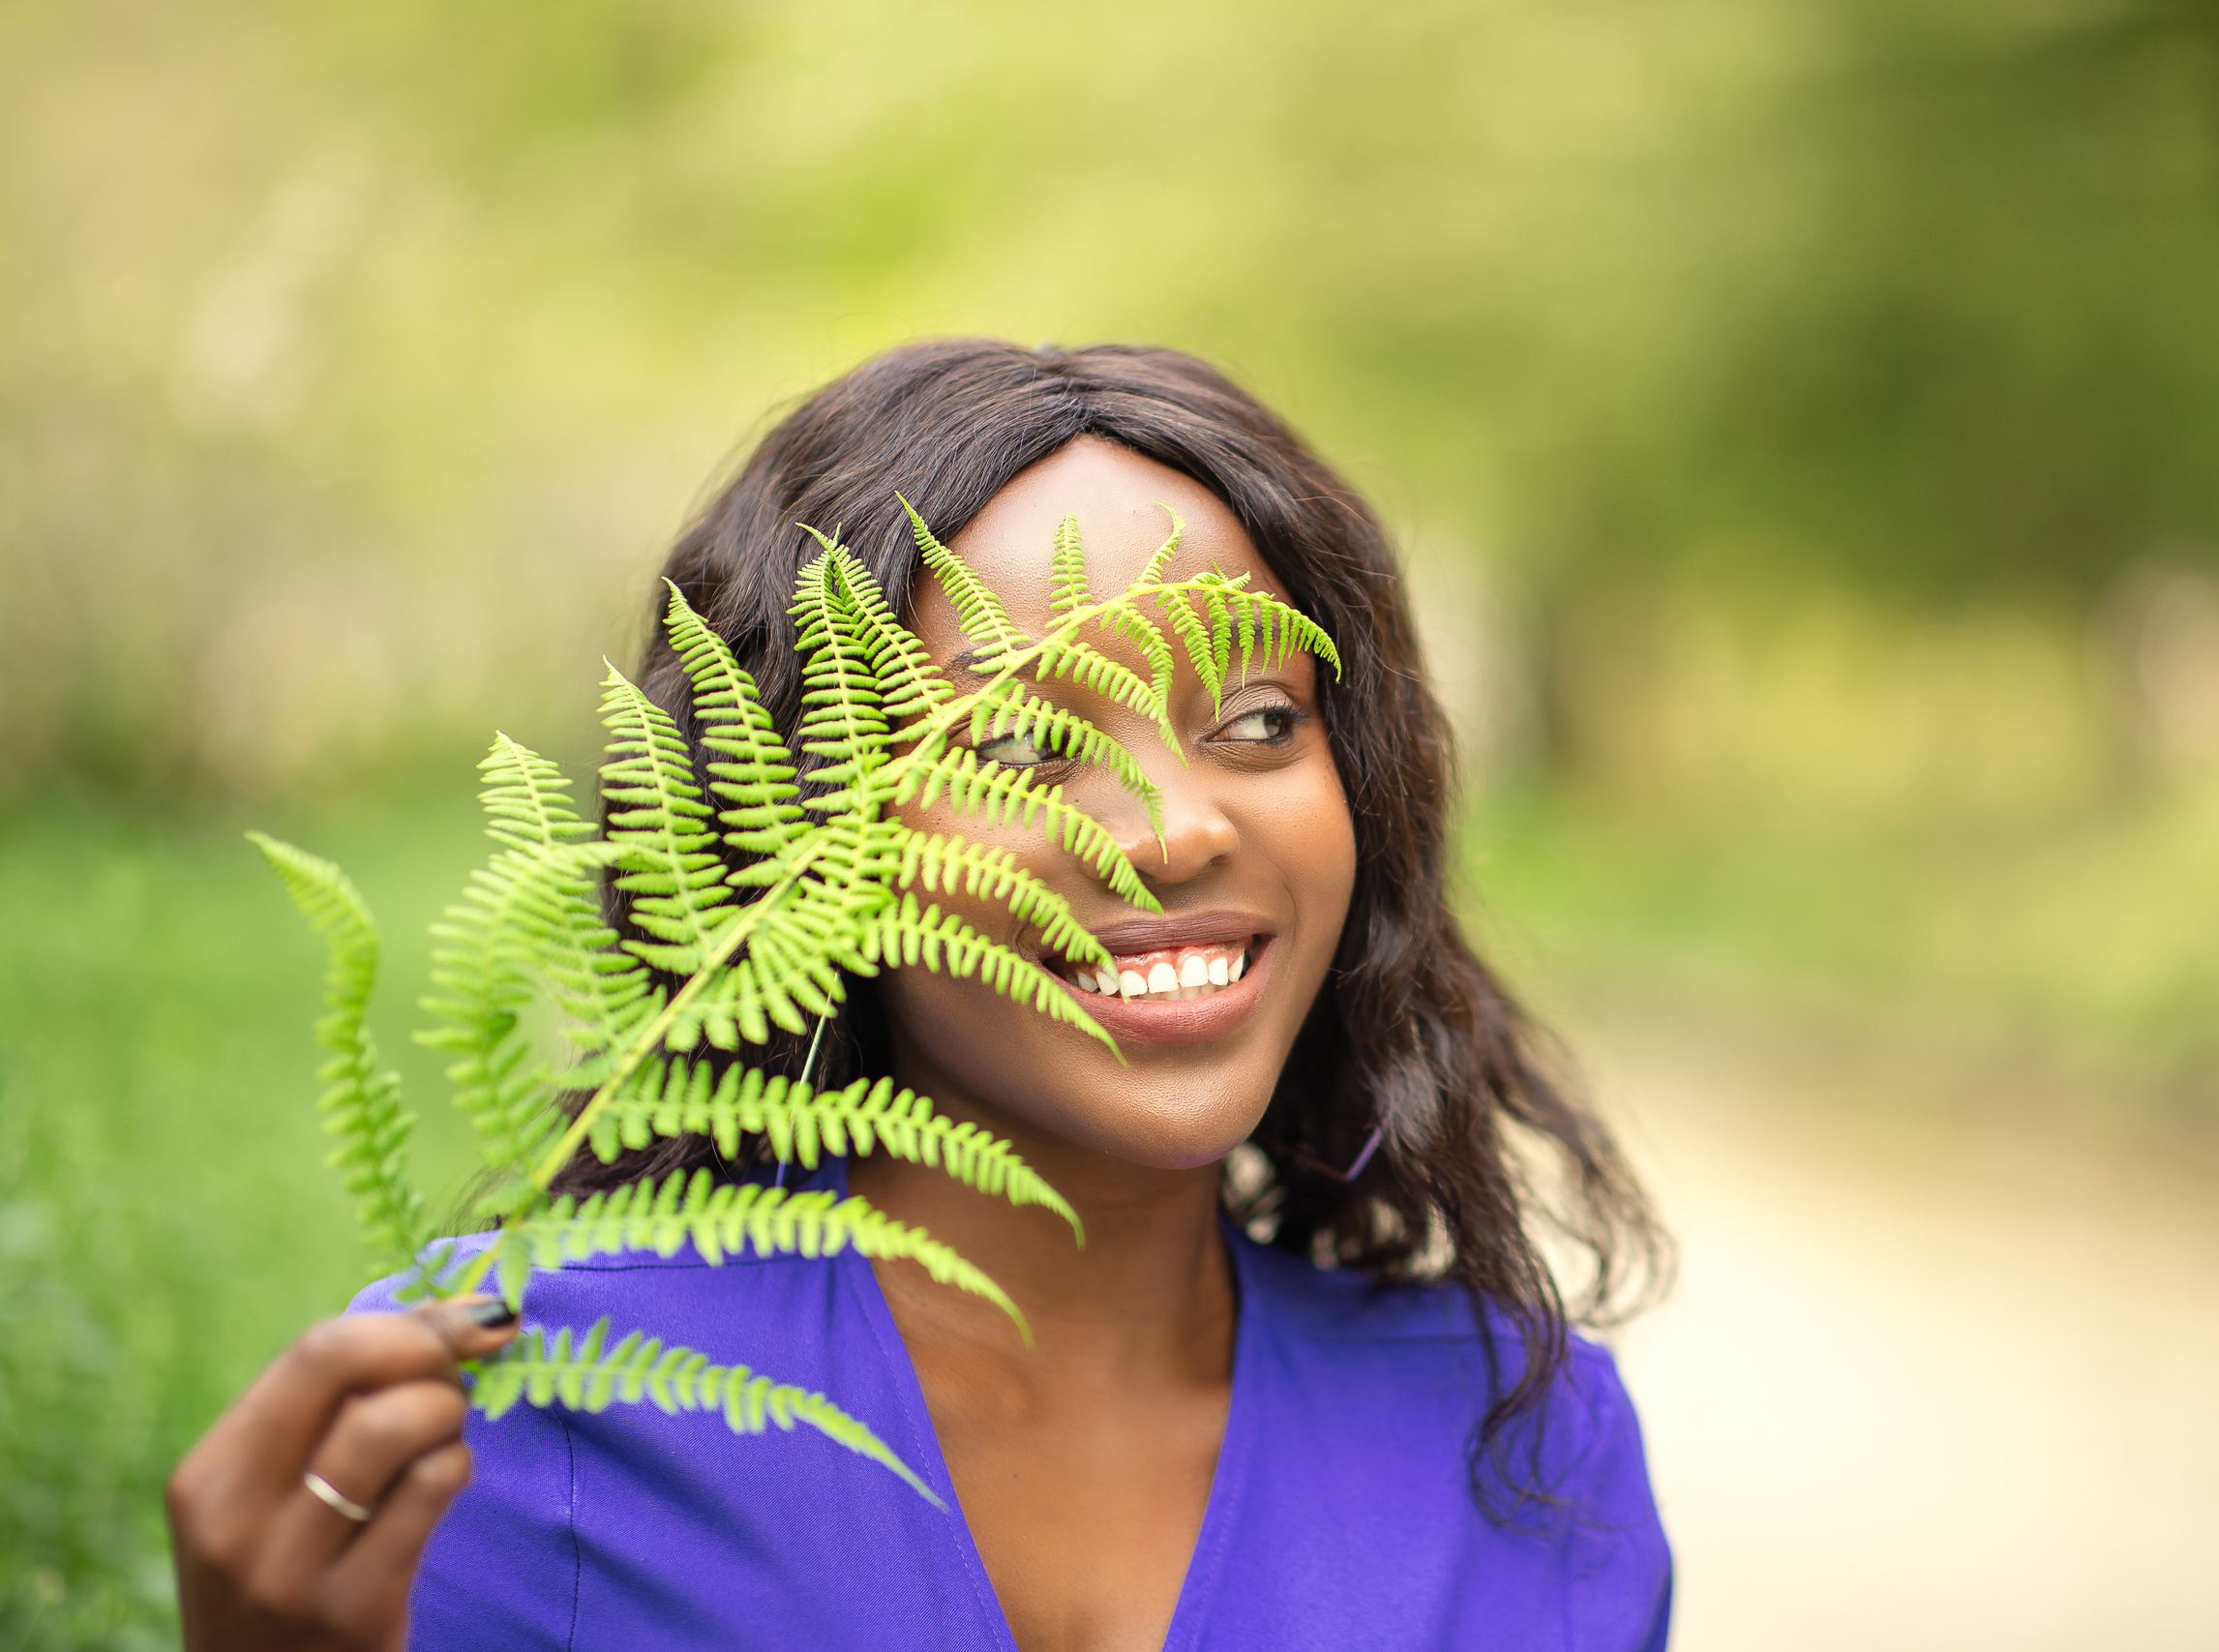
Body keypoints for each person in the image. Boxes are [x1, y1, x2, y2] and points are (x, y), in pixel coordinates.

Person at [165, 340, 1674, 1651]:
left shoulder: (1524, 1452)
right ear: (792, 836)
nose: (1171, 829)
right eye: (1017, 750)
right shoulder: (490, 1426)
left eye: (1260, 722)